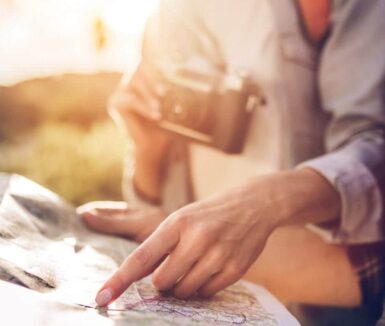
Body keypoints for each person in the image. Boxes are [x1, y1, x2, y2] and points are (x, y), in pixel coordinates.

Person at [78, 0, 385, 320]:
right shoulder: (164, 17)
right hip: (210, 301)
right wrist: (147, 153)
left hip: (316, 296)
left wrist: (268, 199)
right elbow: (170, 201)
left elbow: (373, 147)